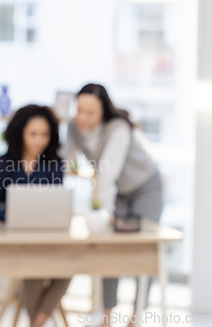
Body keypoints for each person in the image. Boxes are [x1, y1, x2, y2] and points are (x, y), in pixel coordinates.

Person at [63, 83, 163, 326]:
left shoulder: (118, 128)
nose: (83, 118)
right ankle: (106, 316)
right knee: (110, 249)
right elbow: (65, 162)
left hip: (144, 188)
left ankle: (136, 316)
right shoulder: (73, 127)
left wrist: (102, 210)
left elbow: (107, 173)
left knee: (142, 250)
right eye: (80, 111)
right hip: (119, 192)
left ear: (103, 111)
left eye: (91, 113)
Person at [0, 105, 71, 327]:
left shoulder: (55, 164)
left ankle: (36, 322)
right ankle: (38, 321)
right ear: (20, 133)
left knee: (70, 263)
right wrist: (12, 217)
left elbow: (55, 202)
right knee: (35, 265)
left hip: (48, 238)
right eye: (33, 134)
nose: (39, 140)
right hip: (16, 240)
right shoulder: (3, 164)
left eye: (44, 134)